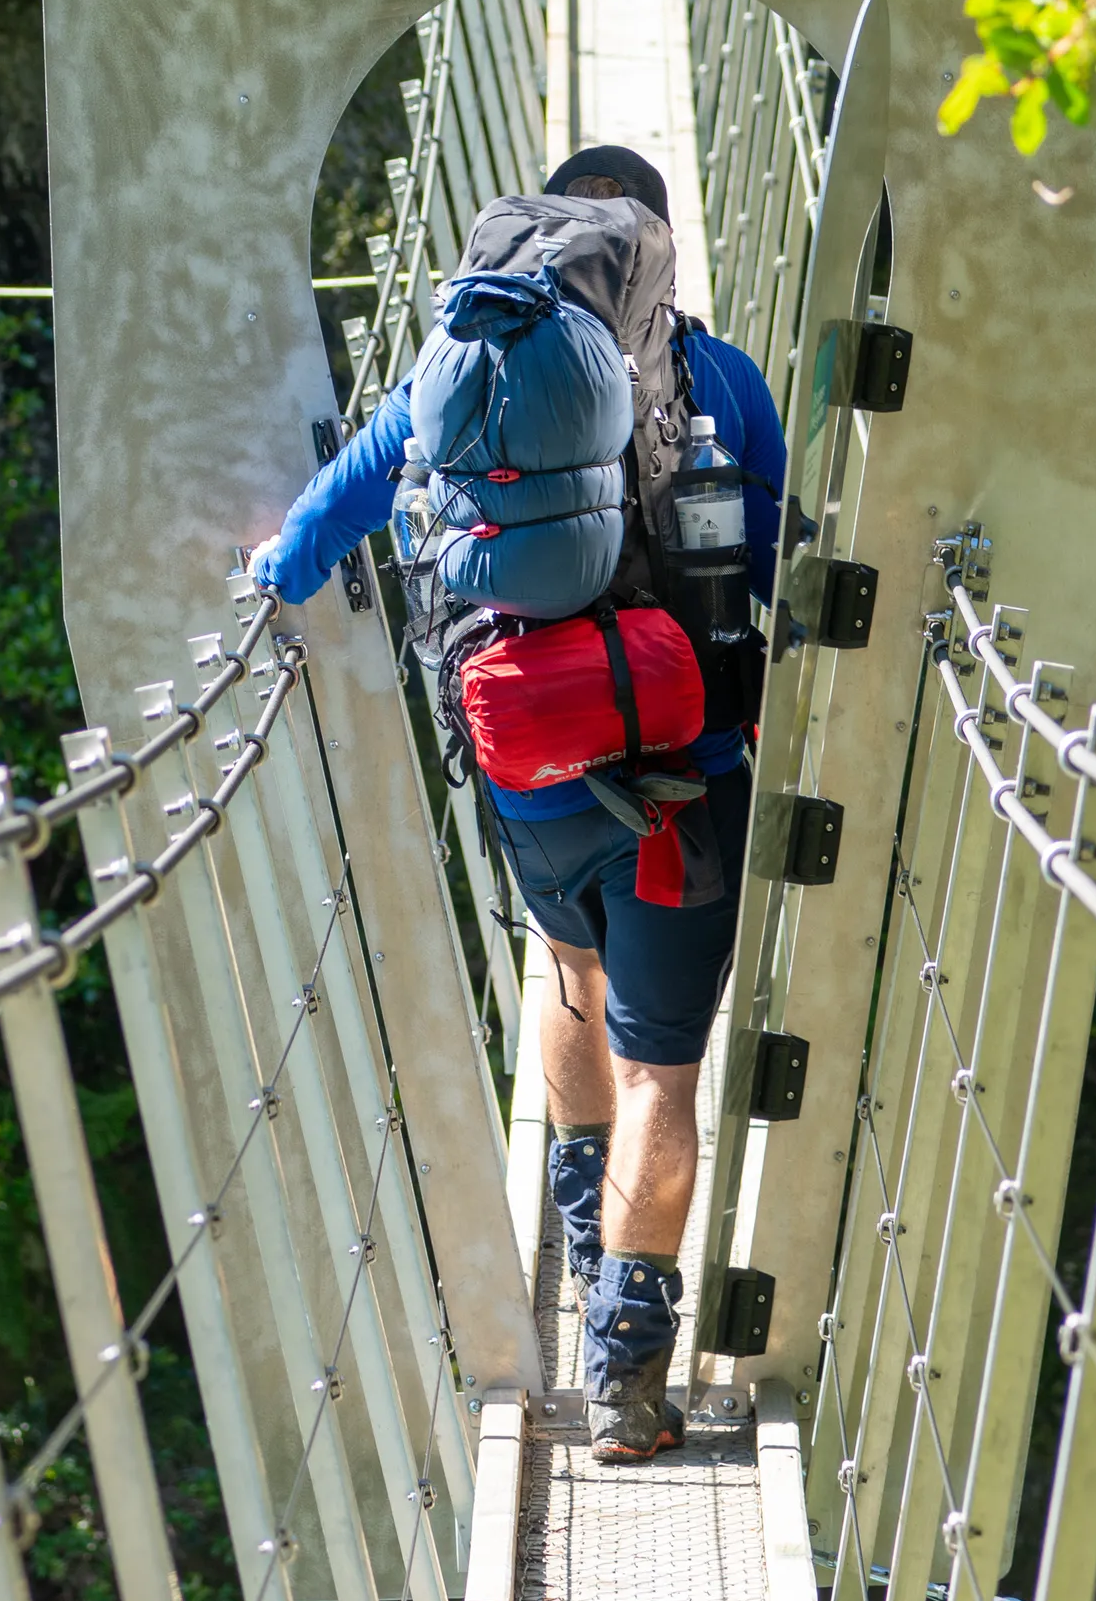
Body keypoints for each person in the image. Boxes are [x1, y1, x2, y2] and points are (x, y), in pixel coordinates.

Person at [248, 144, 788, 1464]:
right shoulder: (717, 376)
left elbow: (352, 490)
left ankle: (575, 1214)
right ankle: (626, 1376)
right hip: (685, 774)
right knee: (668, 1064)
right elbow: (780, 560)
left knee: (566, 965)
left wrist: (278, 563)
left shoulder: (476, 353)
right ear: (658, 253)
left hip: (524, 759)